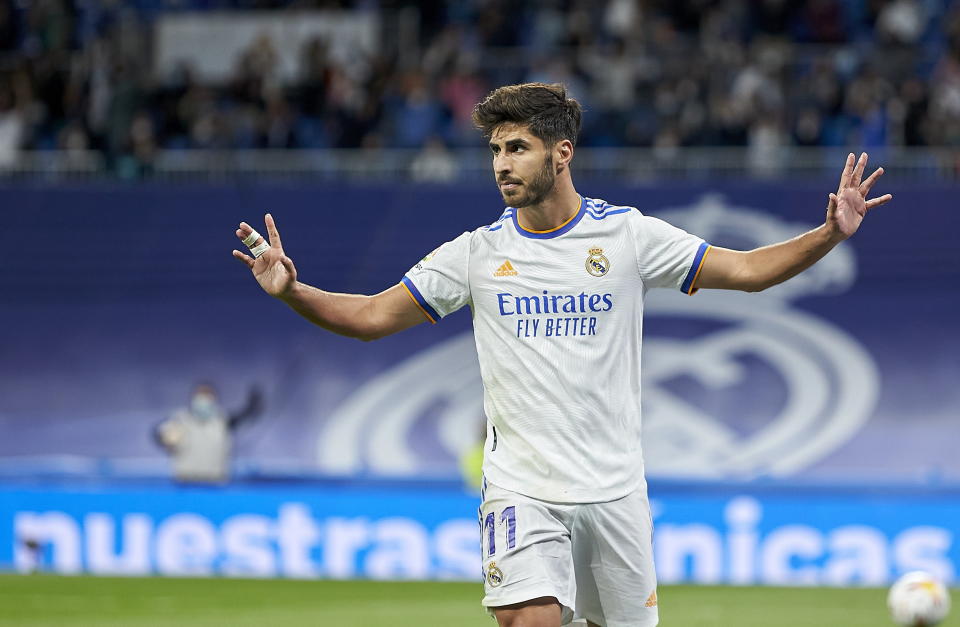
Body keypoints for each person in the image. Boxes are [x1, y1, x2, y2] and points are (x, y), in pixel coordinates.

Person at [231, 83, 891, 627]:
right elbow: (373, 316)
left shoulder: (628, 235)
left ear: (562, 153)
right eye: (495, 150)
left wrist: (830, 232)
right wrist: (294, 291)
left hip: (615, 491)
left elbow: (746, 269)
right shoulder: (476, 253)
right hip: (523, 487)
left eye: (517, 148)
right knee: (532, 620)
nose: (501, 165)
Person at [154, 383, 262, 484]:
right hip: (185, 483)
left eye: (208, 396)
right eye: (201, 395)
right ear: (193, 398)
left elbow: (247, 415)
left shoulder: (223, 420)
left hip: (215, 484)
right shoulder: (179, 420)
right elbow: (158, 434)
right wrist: (164, 438)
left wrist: (255, 402)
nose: (204, 401)